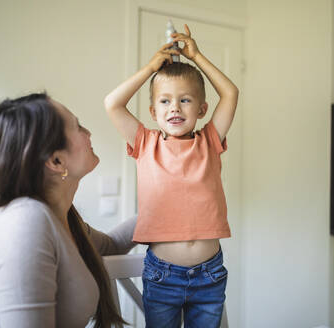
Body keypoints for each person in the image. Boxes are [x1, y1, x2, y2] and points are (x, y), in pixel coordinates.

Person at [104, 24, 239, 328]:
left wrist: (197, 56)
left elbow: (230, 93)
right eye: (165, 101)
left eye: (185, 100)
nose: (174, 107)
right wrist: (151, 67)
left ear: (202, 108)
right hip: (162, 274)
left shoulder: (210, 141)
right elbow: (112, 103)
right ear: (153, 112)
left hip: (210, 273)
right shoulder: (144, 143)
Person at [0, 93, 136, 328]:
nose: (89, 133)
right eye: (78, 126)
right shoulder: (26, 223)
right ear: (56, 161)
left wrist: (169, 204)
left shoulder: (61, 218)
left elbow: (111, 246)